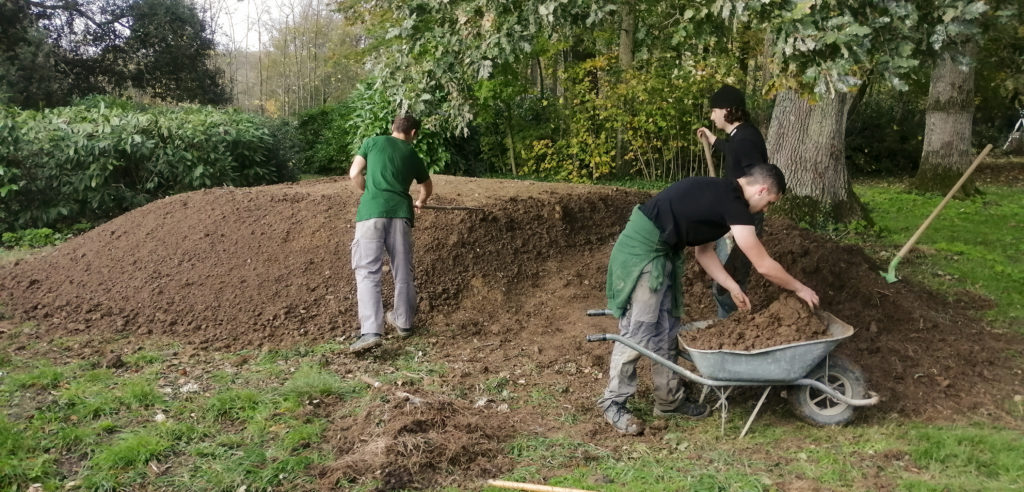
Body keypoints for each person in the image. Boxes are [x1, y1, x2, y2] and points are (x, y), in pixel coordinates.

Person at [597, 164, 819, 435]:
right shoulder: (733, 202)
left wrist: (732, 286)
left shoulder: (723, 198)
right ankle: (613, 403)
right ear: (761, 190)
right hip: (643, 251)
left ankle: (668, 400)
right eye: (769, 202)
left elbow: (704, 252)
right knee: (639, 329)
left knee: (667, 327)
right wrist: (799, 288)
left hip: (663, 252)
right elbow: (762, 264)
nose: (766, 209)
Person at [347, 113, 433, 353]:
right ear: (413, 133)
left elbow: (354, 173)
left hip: (370, 213)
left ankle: (372, 332)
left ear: (392, 127)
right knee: (402, 270)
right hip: (401, 213)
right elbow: (427, 186)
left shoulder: (372, 142)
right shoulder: (411, 153)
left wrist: (369, 192)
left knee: (367, 271)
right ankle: (404, 322)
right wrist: (421, 201)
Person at [696, 84, 769, 319]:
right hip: (735, 215)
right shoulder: (742, 135)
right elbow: (734, 151)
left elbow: (755, 178)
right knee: (730, 275)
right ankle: (729, 321)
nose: (711, 115)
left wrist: (734, 207)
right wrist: (713, 139)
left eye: (714, 110)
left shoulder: (746, 139)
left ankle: (734, 322)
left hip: (741, 219)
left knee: (727, 278)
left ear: (727, 110)